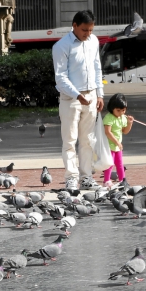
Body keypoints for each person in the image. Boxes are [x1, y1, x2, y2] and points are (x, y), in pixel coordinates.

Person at [52, 10, 104, 191]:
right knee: (70, 140)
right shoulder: (61, 46)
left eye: (90, 30)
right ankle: (71, 178)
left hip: (90, 95)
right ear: (74, 26)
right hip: (70, 98)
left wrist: (99, 94)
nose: (88, 34)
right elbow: (60, 77)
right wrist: (77, 95)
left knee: (88, 140)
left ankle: (86, 176)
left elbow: (97, 68)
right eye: (84, 30)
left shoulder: (94, 41)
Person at [101, 93, 133, 187]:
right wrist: (117, 142)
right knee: (109, 164)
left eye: (123, 110)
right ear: (112, 109)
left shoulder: (122, 117)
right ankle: (106, 180)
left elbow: (125, 131)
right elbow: (108, 132)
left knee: (120, 164)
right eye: (118, 110)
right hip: (109, 145)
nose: (121, 113)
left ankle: (122, 180)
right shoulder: (109, 117)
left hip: (117, 146)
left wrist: (129, 123)